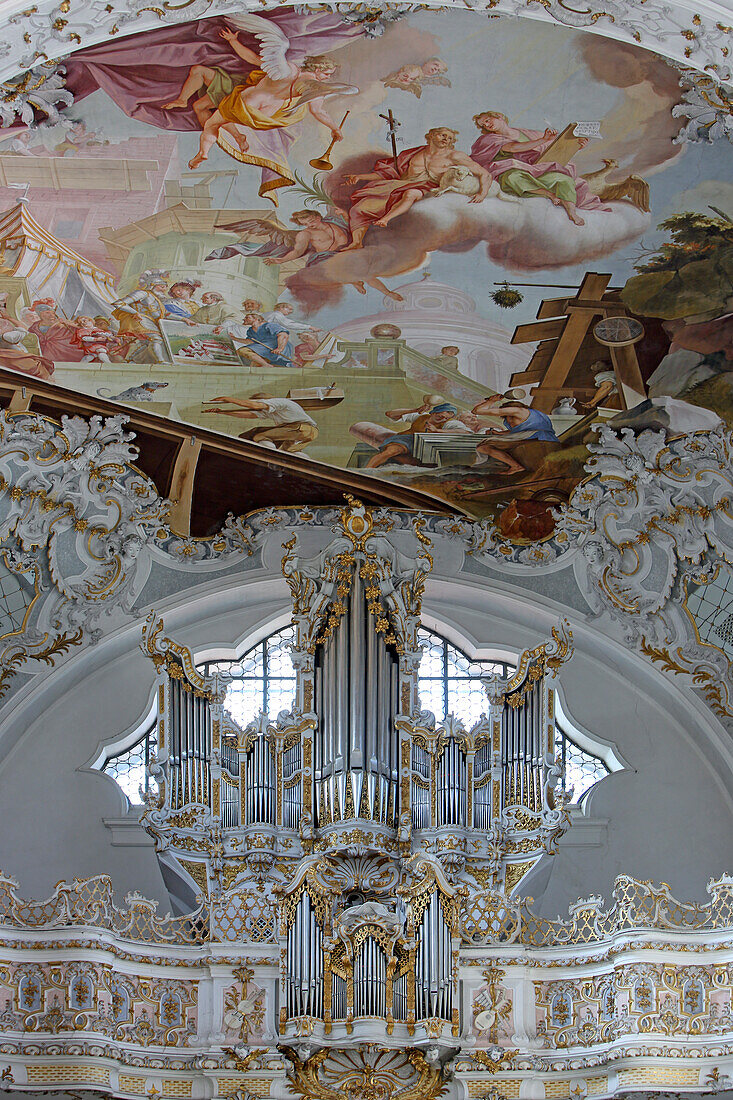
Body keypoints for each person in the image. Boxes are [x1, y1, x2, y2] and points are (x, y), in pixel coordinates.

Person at [184, 39, 346, 180]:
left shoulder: (288, 69)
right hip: (262, 117)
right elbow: (317, 111)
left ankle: (203, 152)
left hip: (245, 103)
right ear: (317, 69)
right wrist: (335, 128)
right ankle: (237, 135)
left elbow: (253, 58)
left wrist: (233, 41)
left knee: (212, 124)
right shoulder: (314, 88)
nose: (328, 78)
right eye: (327, 74)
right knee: (222, 117)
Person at [343, 126, 492, 250]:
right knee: (358, 208)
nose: (447, 139)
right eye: (443, 135)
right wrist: (360, 177)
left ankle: (386, 219)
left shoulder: (456, 156)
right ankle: (357, 242)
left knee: (411, 193)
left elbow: (485, 175)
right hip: (398, 186)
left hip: (429, 189)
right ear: (431, 136)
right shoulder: (412, 154)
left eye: (450, 138)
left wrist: (482, 193)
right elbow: (389, 174)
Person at [470, 111, 607, 226]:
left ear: (498, 116)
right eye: (484, 125)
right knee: (513, 178)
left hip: (537, 170)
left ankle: (571, 212)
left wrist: (576, 145)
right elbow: (513, 147)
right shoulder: (489, 139)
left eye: (488, 120)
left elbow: (554, 150)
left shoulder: (528, 133)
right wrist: (543, 139)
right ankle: (547, 193)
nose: (487, 125)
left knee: (563, 179)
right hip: (512, 169)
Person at [471, 392, 558, 474]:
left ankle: (516, 466)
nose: (509, 420)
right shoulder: (529, 414)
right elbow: (521, 430)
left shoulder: (518, 411)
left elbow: (477, 411)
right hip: (534, 437)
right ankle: (513, 465)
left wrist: (491, 401)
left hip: (538, 438)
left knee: (484, 446)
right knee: (485, 446)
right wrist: (499, 433)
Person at [202, 391, 318, 452]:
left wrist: (228, 399)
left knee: (258, 435)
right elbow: (250, 415)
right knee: (285, 451)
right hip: (300, 432)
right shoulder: (271, 410)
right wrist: (222, 412)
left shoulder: (279, 402)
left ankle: (268, 454)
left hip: (301, 428)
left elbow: (256, 406)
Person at [365, 401, 460, 468]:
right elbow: (390, 414)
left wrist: (437, 431)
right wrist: (415, 410)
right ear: (434, 412)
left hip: (427, 446)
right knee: (391, 452)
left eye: (446, 418)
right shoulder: (420, 416)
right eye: (440, 416)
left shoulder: (447, 425)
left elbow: (464, 432)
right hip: (406, 440)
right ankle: (367, 471)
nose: (442, 419)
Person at [112, 273, 170, 363]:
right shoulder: (142, 293)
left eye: (165, 287)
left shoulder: (157, 299)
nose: (164, 290)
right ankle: (160, 361)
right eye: (161, 287)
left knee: (145, 342)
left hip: (149, 321)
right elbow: (118, 304)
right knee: (156, 338)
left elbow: (166, 314)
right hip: (139, 320)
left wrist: (184, 319)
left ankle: (127, 360)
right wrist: (135, 312)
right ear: (152, 285)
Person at [217, 311, 294, 368]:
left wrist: (280, 348)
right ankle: (266, 365)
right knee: (253, 364)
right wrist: (234, 338)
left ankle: (266, 365)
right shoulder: (251, 330)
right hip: (264, 348)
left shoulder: (269, 325)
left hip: (277, 345)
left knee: (243, 350)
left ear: (257, 319)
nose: (244, 319)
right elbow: (250, 341)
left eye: (247, 317)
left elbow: (283, 335)